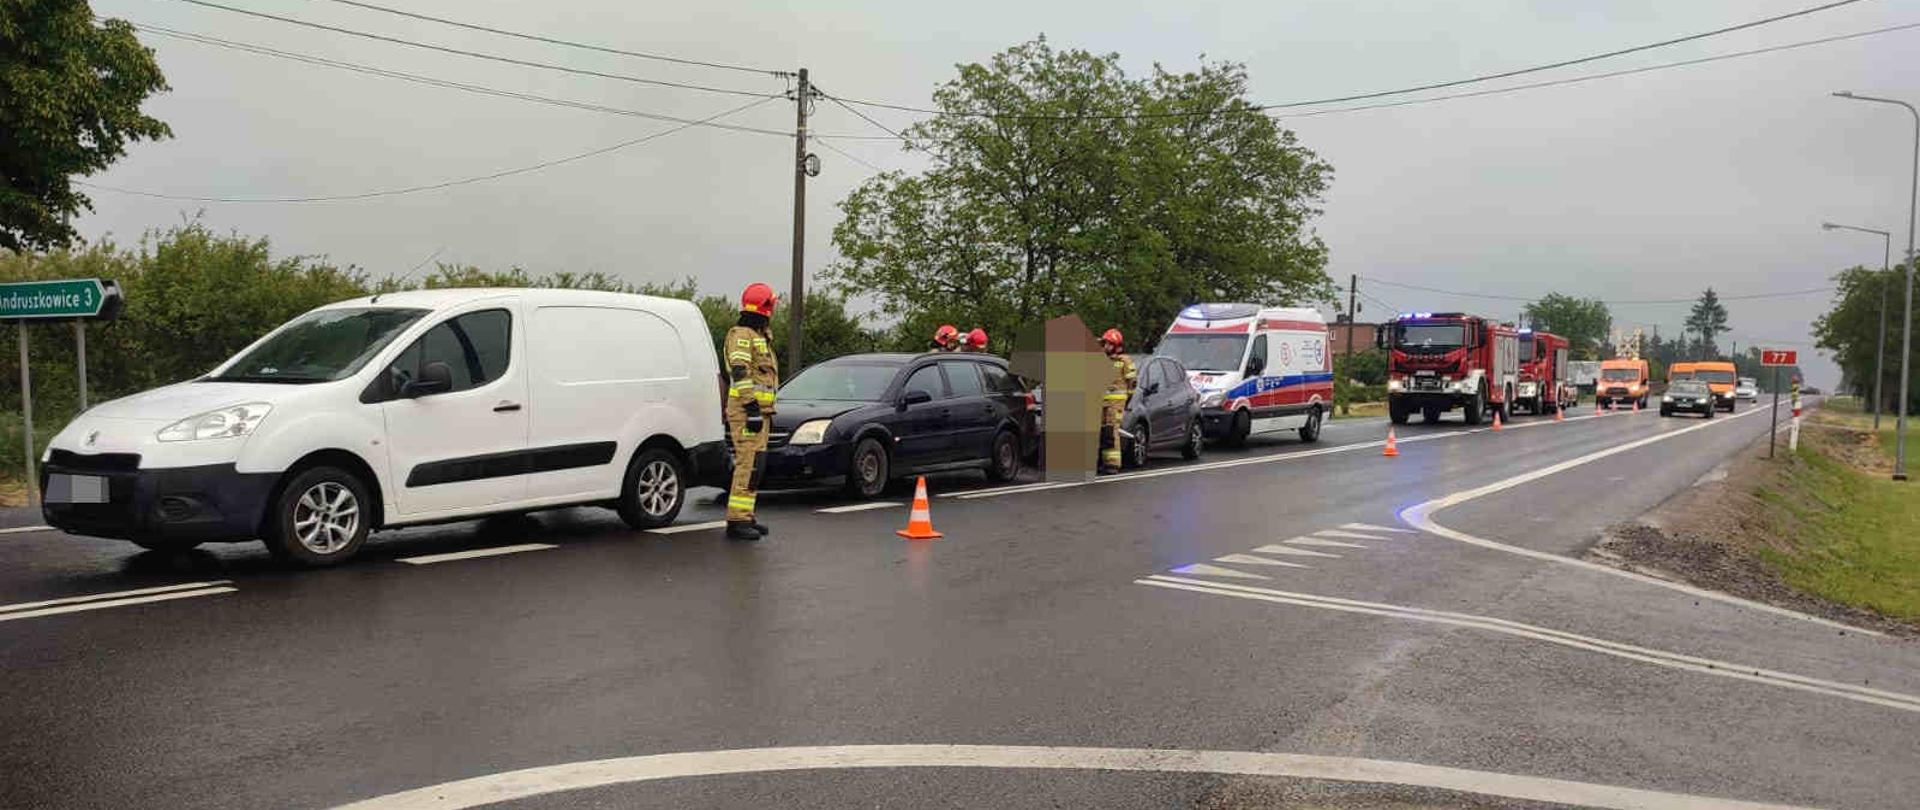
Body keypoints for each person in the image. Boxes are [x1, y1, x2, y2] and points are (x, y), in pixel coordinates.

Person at [723, 283, 780, 540]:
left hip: (760, 411)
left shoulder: (759, 335)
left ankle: (746, 515)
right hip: (747, 412)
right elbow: (739, 372)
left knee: (757, 465)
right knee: (748, 464)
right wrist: (752, 408)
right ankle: (737, 520)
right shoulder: (742, 335)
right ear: (766, 307)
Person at [1098, 327, 1136, 474]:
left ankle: (1112, 464)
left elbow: (1132, 382)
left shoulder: (1125, 361)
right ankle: (1101, 461)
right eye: (1105, 344)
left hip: (1116, 404)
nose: (1106, 346)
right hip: (1102, 402)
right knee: (1102, 431)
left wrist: (1127, 399)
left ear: (1116, 345)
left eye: (1109, 344)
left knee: (1112, 431)